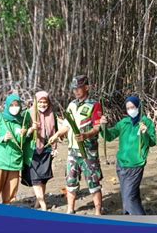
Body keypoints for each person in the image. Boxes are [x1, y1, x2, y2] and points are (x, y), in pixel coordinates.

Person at [49, 75, 103, 215]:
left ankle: (98, 211)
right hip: (72, 151)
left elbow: (97, 128)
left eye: (79, 88)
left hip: (88, 151)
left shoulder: (94, 105)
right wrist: (56, 135)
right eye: (74, 89)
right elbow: (67, 126)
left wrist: (86, 135)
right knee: (71, 181)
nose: (76, 91)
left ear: (86, 87)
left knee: (93, 181)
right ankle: (70, 209)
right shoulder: (72, 105)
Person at [100, 96, 157, 215]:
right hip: (121, 165)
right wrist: (103, 126)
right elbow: (109, 137)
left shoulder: (146, 122)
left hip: (135, 166)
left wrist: (145, 133)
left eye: (133, 107)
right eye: (128, 108)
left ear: (138, 107)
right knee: (129, 197)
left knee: (129, 198)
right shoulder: (123, 122)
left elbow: (152, 142)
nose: (131, 110)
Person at [0, 94, 35, 204]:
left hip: (15, 162)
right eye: (11, 105)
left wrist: (26, 134)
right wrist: (3, 138)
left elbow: (23, 143)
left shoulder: (23, 120)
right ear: (7, 105)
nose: (14, 107)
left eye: (17, 105)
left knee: (10, 197)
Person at [21, 91, 58, 211]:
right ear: (36, 102)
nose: (43, 104)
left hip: (47, 149)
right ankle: (43, 206)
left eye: (45, 102)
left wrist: (54, 148)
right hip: (32, 150)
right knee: (35, 178)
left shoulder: (52, 114)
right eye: (40, 102)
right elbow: (22, 135)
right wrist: (32, 129)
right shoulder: (28, 113)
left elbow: (55, 132)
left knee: (43, 178)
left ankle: (38, 203)